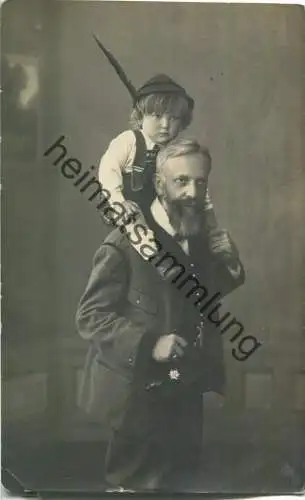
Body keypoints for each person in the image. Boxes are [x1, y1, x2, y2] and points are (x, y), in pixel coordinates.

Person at [76, 138, 245, 491]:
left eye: (200, 182)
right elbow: (90, 316)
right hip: (136, 398)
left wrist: (230, 263)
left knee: (181, 484)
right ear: (158, 184)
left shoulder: (199, 239)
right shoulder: (124, 242)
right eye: (181, 181)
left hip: (185, 391)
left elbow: (199, 297)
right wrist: (150, 343)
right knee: (134, 487)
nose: (192, 192)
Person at [98, 74, 218, 260]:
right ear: (141, 115)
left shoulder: (177, 152)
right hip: (130, 211)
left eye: (173, 118)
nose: (165, 125)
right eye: (157, 116)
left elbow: (194, 181)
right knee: (137, 226)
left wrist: (207, 211)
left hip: (161, 213)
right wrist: (118, 201)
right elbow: (108, 170)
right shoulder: (129, 141)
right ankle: (157, 260)